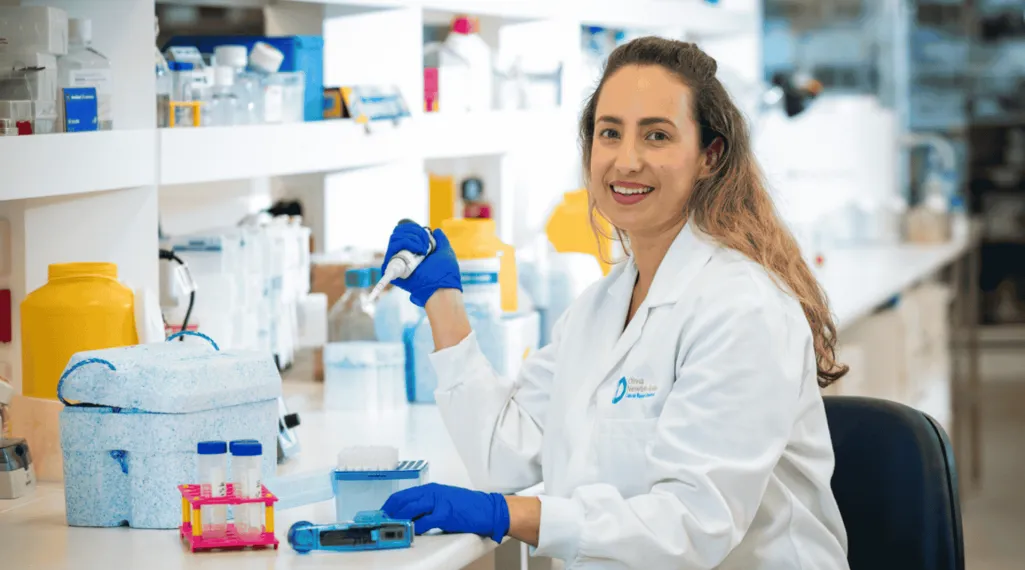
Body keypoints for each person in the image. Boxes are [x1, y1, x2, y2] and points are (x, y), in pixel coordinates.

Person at [380, 37, 850, 569]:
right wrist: (442, 301)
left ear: (708, 157)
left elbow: (692, 526)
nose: (627, 160)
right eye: (610, 133)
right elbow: (500, 457)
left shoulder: (743, 308)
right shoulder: (599, 308)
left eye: (657, 135)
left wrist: (510, 516)